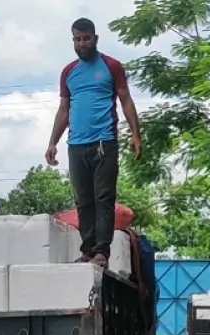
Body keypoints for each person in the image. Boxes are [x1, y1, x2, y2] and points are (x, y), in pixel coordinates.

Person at [45, 17, 142, 267]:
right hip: (76, 144)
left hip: (104, 141)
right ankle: (87, 250)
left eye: (86, 38)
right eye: (77, 39)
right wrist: (52, 142)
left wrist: (135, 134)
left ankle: (102, 251)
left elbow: (126, 100)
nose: (82, 43)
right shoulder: (68, 72)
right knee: (83, 200)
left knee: (104, 197)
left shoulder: (111, 66)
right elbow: (64, 110)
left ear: (95, 39)